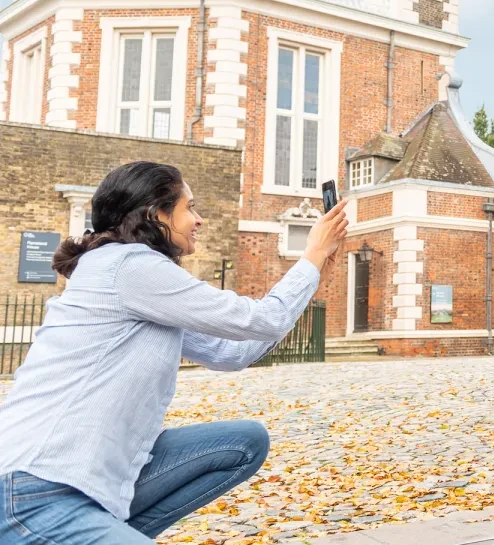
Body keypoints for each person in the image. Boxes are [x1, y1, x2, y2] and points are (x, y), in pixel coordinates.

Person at [0, 161, 349, 544]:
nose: (198, 220)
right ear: (156, 214)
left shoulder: (133, 282)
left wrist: (310, 279)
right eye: (190, 208)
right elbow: (260, 320)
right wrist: (311, 254)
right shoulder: (129, 265)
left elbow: (232, 353)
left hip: (82, 488)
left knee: (244, 442)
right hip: (37, 488)